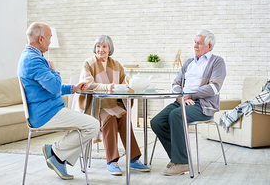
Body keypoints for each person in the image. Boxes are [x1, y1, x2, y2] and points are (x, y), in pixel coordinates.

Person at [17, 22, 100, 180]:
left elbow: (48, 88)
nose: (50, 41)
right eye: (49, 38)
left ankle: (57, 156)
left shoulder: (30, 57)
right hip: (45, 114)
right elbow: (54, 87)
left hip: (49, 110)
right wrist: (53, 69)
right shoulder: (33, 60)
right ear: (41, 39)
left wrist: (73, 88)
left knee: (85, 125)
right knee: (93, 125)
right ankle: (55, 153)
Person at [72, 35, 150, 175]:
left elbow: (125, 79)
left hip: (113, 103)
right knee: (110, 119)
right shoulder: (88, 63)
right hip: (96, 105)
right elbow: (88, 84)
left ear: (110, 49)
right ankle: (112, 161)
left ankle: (133, 159)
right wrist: (107, 87)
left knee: (125, 117)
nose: (100, 50)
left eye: (104, 47)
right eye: (98, 46)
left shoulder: (116, 64)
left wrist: (133, 82)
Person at [150, 29, 226, 176]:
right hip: (182, 101)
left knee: (176, 115)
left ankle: (182, 163)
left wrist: (190, 95)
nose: (195, 46)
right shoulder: (189, 62)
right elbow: (175, 83)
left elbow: (214, 87)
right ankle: (177, 157)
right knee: (157, 122)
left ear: (209, 46)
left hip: (203, 105)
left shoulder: (217, 62)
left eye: (199, 43)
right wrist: (181, 96)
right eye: (195, 42)